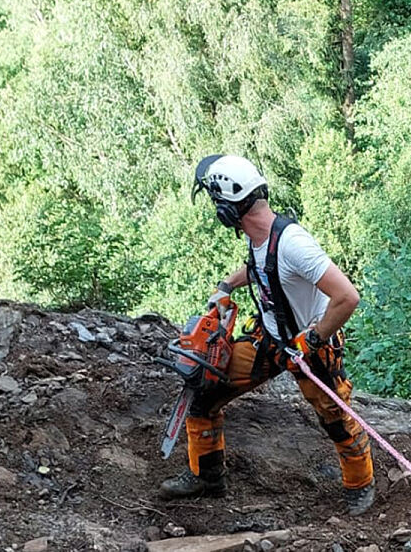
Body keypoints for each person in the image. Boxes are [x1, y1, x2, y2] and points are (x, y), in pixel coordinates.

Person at [159, 154, 376, 516]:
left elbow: (347, 297)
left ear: (230, 206)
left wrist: (314, 339)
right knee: (206, 390)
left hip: (310, 347)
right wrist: (226, 285)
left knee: (336, 418)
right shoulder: (258, 236)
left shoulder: (294, 244)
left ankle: (360, 485)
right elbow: (256, 265)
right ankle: (207, 475)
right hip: (270, 340)